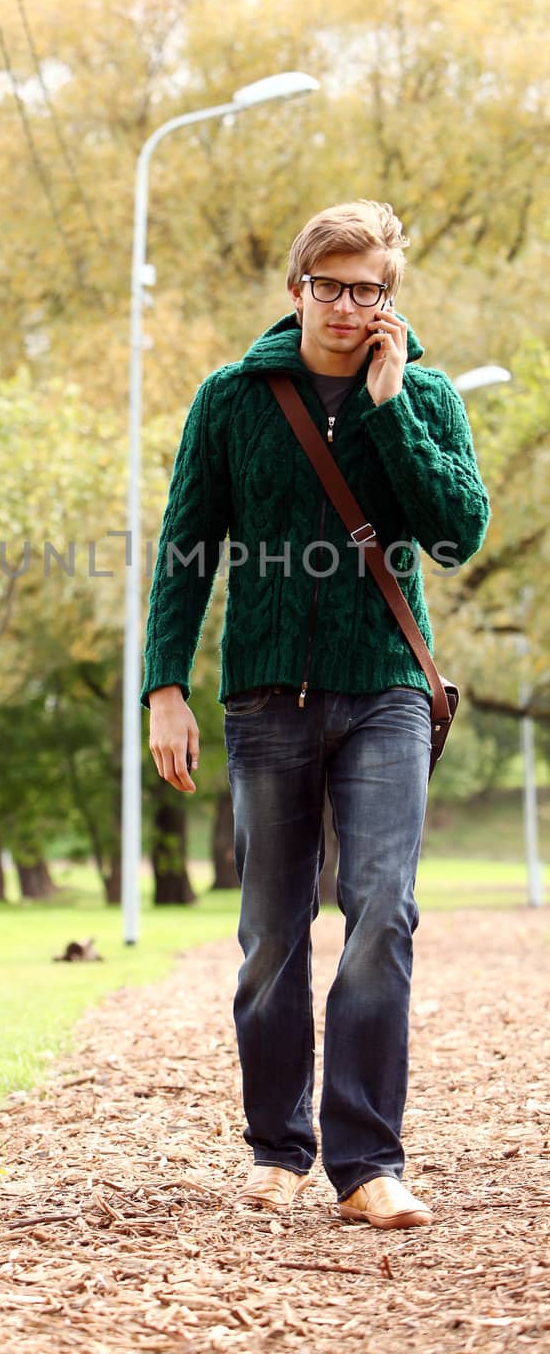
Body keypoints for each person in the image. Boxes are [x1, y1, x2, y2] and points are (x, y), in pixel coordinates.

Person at [142, 200, 490, 1230]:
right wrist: (165, 685)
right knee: (269, 936)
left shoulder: (421, 392)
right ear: (296, 288)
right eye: (330, 286)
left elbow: (456, 530)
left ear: (389, 297)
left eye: (368, 289)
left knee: (381, 912)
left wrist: (389, 410)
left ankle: (367, 1161)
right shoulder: (232, 398)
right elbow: (186, 545)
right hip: (265, 699)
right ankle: (277, 1146)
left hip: (384, 687)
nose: (348, 306)